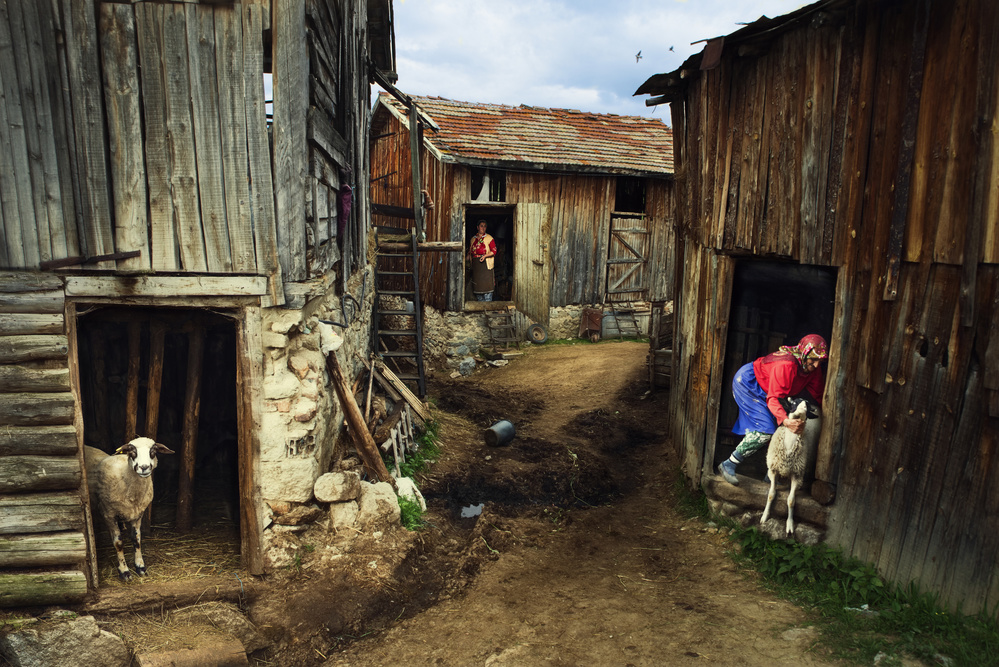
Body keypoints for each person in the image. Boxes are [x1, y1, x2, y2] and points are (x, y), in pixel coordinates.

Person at [718, 334, 828, 485]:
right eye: (813, 360)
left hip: (769, 389)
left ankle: (770, 476)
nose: (816, 365)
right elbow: (773, 399)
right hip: (749, 383)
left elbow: (820, 395)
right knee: (766, 430)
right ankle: (729, 463)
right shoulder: (786, 365)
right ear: (804, 352)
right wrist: (785, 420)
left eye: (820, 361)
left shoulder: (812, 370)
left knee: (781, 430)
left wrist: (829, 417)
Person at [467, 220, 496, 301]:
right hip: (476, 267)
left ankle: (487, 307)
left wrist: (485, 256)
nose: (483, 227)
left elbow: (494, 251)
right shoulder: (473, 239)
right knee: (478, 288)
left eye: (485, 226)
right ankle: (480, 309)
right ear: (477, 227)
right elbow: (470, 253)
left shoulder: (489, 238)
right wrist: (465, 261)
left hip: (486, 266)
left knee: (487, 288)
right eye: (481, 226)